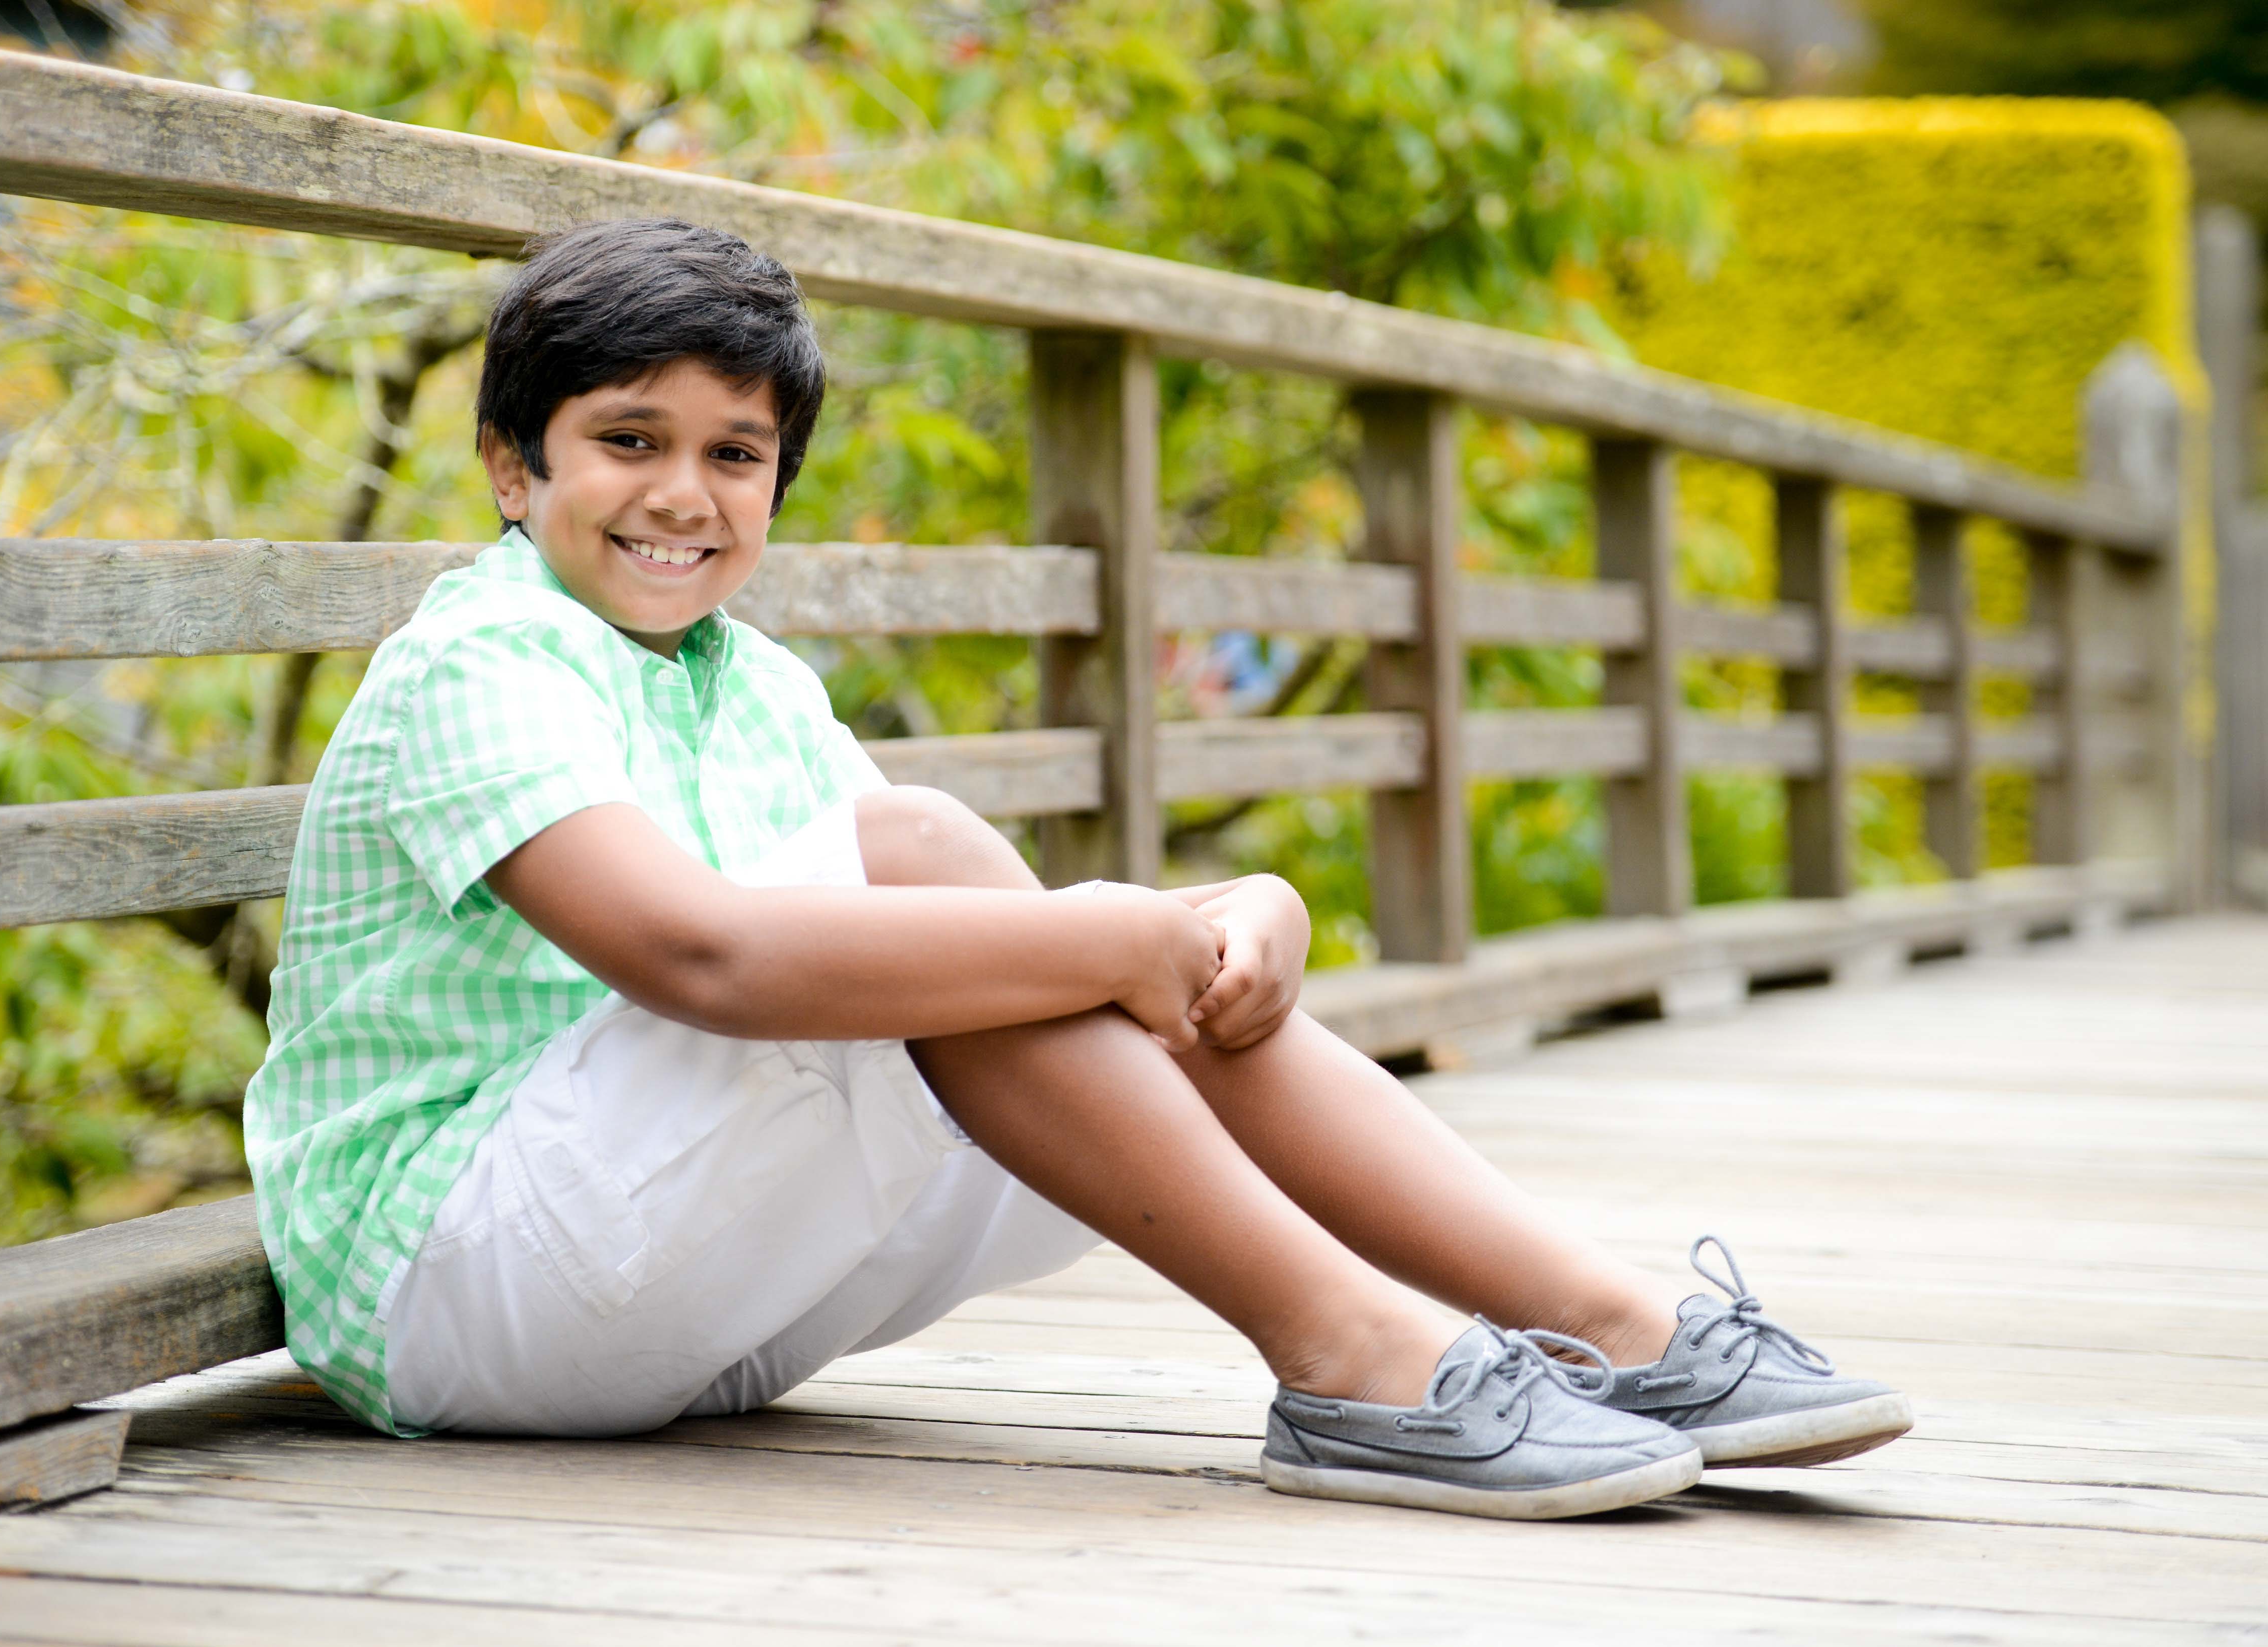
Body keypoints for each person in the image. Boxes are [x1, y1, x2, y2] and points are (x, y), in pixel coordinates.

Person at [244, 217, 1911, 1521]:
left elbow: (972, 963)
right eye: (629, 439)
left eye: (735, 455)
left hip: (679, 1287)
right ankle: (1358, 1357)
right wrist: (1112, 930)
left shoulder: (750, 683)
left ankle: (1607, 1323)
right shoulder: (480, 657)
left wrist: (1220, 935)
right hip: (451, 1289)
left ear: (776, 484)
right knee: (925, 873)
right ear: (514, 463)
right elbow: (711, 964)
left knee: (1002, 929)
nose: (683, 494)